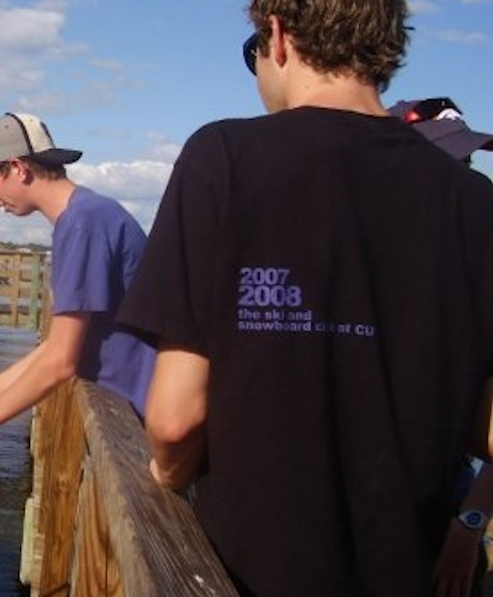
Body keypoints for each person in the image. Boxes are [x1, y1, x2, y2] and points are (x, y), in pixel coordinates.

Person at [115, 1, 493, 596]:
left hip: (244, 574)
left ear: (281, 35)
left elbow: (175, 418)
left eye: (253, 53)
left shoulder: (223, 159)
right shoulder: (473, 202)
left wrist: (165, 471)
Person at [0, 112, 157, 462]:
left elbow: (61, 361)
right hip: (138, 412)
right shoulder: (85, 215)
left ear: (18, 168)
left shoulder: (82, 224)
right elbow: (53, 350)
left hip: (150, 419)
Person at [391, 97, 493, 597]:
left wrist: (468, 524)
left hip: (449, 501)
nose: (468, 180)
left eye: (470, 162)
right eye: (453, 163)